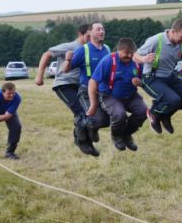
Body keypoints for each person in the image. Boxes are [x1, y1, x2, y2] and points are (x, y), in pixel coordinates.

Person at [34, 24, 98, 157]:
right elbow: (47, 54)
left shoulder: (90, 49)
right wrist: (39, 75)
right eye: (87, 36)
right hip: (64, 84)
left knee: (89, 111)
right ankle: (83, 142)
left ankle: (80, 139)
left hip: (80, 86)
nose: (90, 38)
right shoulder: (70, 46)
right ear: (80, 35)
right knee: (81, 112)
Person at [87, 38, 147, 151]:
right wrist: (93, 104)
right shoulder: (109, 61)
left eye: (131, 53)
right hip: (109, 95)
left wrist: (140, 82)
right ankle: (117, 136)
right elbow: (93, 81)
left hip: (131, 95)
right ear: (118, 50)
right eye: (126, 53)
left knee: (143, 112)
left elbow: (146, 80)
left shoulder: (137, 62)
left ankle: (127, 134)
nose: (129, 56)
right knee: (120, 115)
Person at [134, 18, 182, 134]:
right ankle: (154, 112)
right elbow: (135, 56)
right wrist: (144, 59)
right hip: (151, 77)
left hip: (169, 76)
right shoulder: (156, 40)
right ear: (173, 31)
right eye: (181, 37)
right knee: (173, 100)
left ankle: (165, 116)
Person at [65, 22, 111, 143]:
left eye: (103, 29)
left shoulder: (107, 49)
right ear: (90, 33)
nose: (102, 31)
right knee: (94, 119)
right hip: (86, 91)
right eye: (98, 29)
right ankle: (80, 123)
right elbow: (65, 70)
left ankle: (93, 128)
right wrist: (68, 60)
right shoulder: (83, 50)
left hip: (103, 91)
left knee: (109, 120)